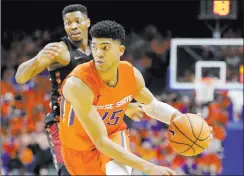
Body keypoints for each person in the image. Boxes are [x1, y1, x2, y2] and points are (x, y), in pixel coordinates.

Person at [15, 4, 143, 175]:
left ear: (87, 22)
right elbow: (20, 77)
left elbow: (105, 89)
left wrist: (126, 106)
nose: (73, 26)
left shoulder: (99, 50)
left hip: (90, 120)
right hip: (63, 123)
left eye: (77, 21)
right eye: (68, 23)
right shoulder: (60, 50)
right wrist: (38, 59)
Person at [60, 20, 200, 175]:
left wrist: (185, 121)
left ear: (120, 50)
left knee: (117, 170)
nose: (99, 53)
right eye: (95, 47)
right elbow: (100, 142)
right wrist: (150, 168)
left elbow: (152, 106)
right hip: (78, 150)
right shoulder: (78, 84)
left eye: (105, 47)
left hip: (112, 135)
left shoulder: (131, 75)